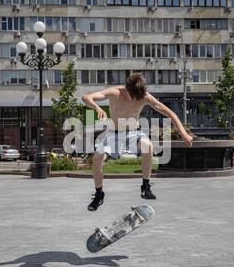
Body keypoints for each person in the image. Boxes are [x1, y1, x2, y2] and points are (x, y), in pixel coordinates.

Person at [82, 73, 193, 211]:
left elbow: (170, 113)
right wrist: (97, 107)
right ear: (126, 88)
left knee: (148, 147)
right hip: (114, 133)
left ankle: (145, 187)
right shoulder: (114, 92)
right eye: (132, 96)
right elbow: (86, 97)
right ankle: (99, 194)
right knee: (98, 158)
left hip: (134, 132)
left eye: (137, 97)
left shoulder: (144, 96)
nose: (134, 99)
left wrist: (184, 134)